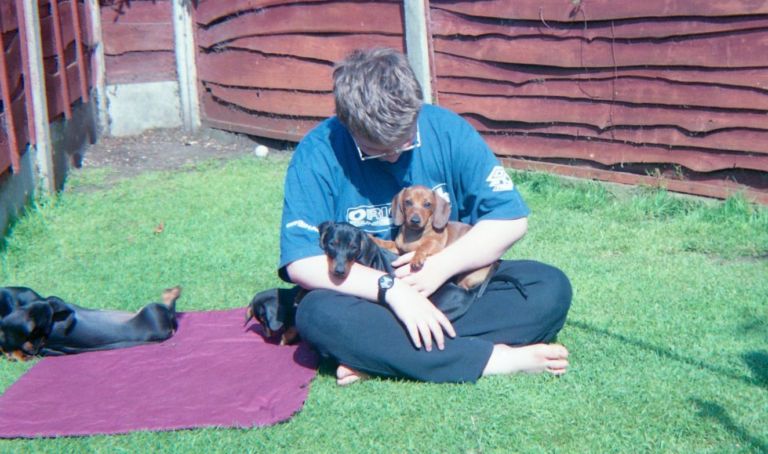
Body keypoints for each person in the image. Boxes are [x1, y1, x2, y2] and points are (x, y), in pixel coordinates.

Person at [278, 48, 571, 385]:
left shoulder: (449, 130)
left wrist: (440, 267)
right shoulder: (318, 152)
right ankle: (490, 359)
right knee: (317, 314)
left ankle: (382, 354)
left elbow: (510, 220)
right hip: (372, 297)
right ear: (347, 124)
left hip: (448, 289)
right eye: (377, 149)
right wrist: (392, 290)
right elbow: (301, 262)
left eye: (405, 142)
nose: (393, 157)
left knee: (549, 287)